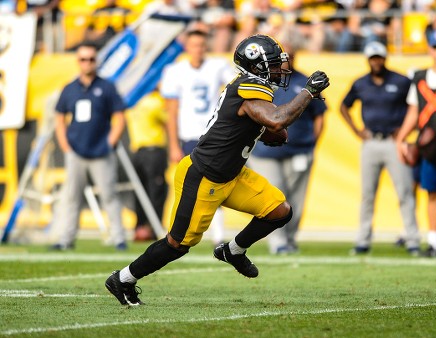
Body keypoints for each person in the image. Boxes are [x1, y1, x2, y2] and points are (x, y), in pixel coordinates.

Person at [105, 34, 330, 306]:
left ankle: (233, 252)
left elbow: (265, 123)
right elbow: (277, 118)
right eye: (273, 63)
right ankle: (124, 279)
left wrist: (267, 132)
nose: (280, 69)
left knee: (278, 211)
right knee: (177, 244)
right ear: (257, 66)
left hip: (231, 173)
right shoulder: (248, 86)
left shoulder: (251, 87)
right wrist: (308, 92)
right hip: (204, 175)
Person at [248, 28, 327, 255]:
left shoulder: (304, 81)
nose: (288, 61)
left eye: (291, 56)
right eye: (284, 57)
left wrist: (312, 144)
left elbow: (320, 116)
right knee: (275, 195)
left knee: (296, 200)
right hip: (264, 152)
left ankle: (290, 239)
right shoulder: (263, 82)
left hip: (299, 149)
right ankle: (278, 241)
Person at [340, 41, 420, 255]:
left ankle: (412, 240)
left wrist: (404, 132)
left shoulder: (402, 81)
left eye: (379, 57)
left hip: (395, 142)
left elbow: (417, 107)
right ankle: (363, 240)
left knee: (404, 191)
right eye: (372, 58)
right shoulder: (361, 83)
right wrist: (357, 131)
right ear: (368, 60)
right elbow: (343, 106)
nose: (376, 61)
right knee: (367, 194)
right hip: (371, 142)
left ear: (385, 58)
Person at [160, 29, 235, 246]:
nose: (198, 50)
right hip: (189, 136)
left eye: (202, 45)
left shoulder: (217, 66)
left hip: (213, 135)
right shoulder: (174, 71)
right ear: (187, 47)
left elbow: (237, 88)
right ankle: (179, 233)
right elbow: (171, 112)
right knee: (187, 187)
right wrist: (173, 144)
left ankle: (218, 235)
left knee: (215, 183)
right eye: (194, 45)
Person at [50, 41, 127, 250]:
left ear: (96, 61)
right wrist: (65, 145)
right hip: (76, 151)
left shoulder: (107, 87)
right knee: (71, 197)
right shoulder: (69, 88)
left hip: (101, 152)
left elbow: (120, 117)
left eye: (91, 59)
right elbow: (59, 117)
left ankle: (119, 238)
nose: (87, 63)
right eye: (83, 59)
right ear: (78, 62)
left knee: (109, 195)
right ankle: (66, 239)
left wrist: (110, 142)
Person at [396, 29, 436, 258]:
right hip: (429, 147)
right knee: (431, 192)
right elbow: (414, 111)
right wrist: (401, 138)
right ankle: (433, 241)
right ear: (430, 49)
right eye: (435, 47)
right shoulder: (420, 78)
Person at [125, 92, 168, 241]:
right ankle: (152, 228)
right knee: (157, 191)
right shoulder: (155, 102)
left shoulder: (132, 101)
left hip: (137, 151)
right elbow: (169, 121)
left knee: (140, 191)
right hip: (154, 150)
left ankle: (139, 227)